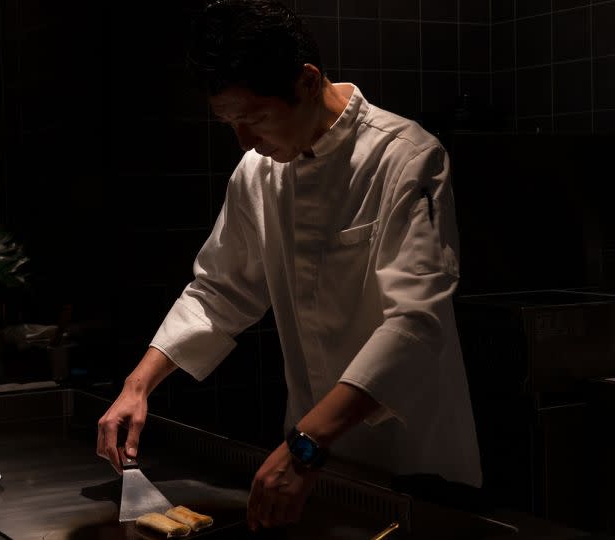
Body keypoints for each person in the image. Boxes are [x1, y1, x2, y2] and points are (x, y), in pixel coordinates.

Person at [96, 0, 482, 531]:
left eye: (253, 119)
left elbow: (416, 324)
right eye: (230, 123)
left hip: (410, 462)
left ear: (305, 81)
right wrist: (137, 385)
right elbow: (220, 290)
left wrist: (306, 442)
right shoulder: (258, 172)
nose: (246, 142)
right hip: (309, 460)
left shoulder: (406, 157)